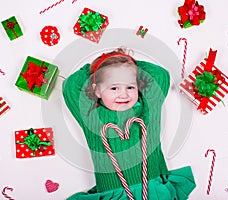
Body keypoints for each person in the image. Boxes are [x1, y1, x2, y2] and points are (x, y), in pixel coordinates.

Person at [62, 48, 196, 200]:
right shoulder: (92, 118)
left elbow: (161, 75)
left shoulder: (148, 109)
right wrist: (100, 64)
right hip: (115, 195)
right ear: (97, 91)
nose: (124, 94)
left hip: (153, 191)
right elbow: (70, 87)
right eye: (114, 88)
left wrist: (129, 65)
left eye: (130, 87)